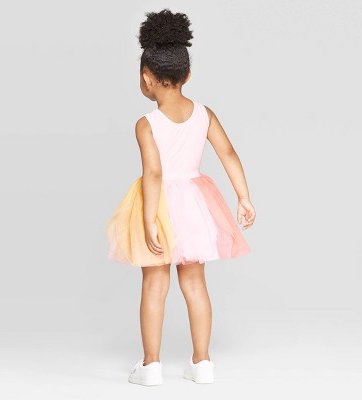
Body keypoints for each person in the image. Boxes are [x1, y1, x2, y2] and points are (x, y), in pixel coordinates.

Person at [106, 8, 256, 386]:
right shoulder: (204, 113)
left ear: (146, 78)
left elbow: (154, 173)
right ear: (188, 75)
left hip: (160, 207)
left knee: (155, 285)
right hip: (195, 205)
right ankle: (202, 363)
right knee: (195, 284)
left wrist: (148, 220)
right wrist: (243, 197)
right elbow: (228, 153)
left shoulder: (146, 124)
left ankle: (151, 366)